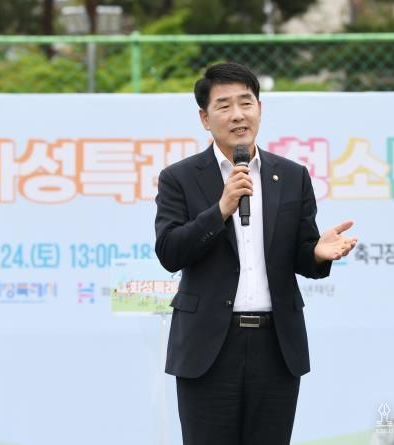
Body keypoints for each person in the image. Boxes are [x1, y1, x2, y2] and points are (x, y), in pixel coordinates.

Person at [154, 62, 357, 445]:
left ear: (259, 109)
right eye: (224, 105)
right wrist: (220, 210)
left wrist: (317, 253)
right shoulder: (179, 178)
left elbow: (301, 256)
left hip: (275, 345)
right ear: (205, 118)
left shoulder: (291, 175)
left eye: (246, 103)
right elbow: (169, 251)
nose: (237, 115)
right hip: (208, 347)